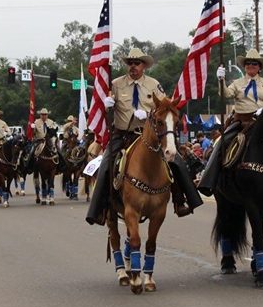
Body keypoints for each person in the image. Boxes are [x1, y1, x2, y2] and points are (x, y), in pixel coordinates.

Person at [86, 47, 203, 225]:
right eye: (130, 63)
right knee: (105, 166)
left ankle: (182, 201)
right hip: (123, 134)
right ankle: (99, 209)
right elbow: (104, 112)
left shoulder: (154, 85)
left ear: (144, 66)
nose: (133, 66)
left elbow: (165, 107)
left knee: (176, 161)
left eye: (137, 63)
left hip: (149, 135)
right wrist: (107, 105)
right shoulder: (116, 84)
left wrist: (148, 114)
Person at [198, 48, 263, 196]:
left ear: (259, 67)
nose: (250, 66)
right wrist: (221, 80)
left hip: (261, 121)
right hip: (241, 122)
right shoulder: (237, 83)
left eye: (254, 63)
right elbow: (226, 94)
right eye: (247, 63)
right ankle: (208, 181)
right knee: (221, 143)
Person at [25, 108, 58, 173]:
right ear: (40, 115)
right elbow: (33, 133)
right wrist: (32, 128)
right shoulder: (36, 122)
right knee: (32, 152)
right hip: (39, 141)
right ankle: (28, 167)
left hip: (49, 141)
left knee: (58, 151)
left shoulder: (51, 122)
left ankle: (61, 166)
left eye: (45, 114)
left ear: (47, 115)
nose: (44, 116)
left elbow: (54, 131)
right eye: (42, 114)